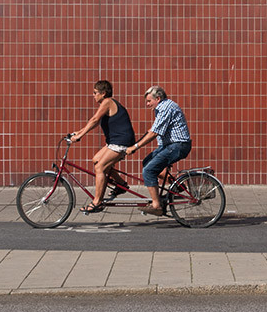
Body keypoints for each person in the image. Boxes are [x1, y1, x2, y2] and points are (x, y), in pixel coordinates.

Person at [67, 80, 135, 211]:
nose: (93, 95)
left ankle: (97, 202)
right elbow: (94, 121)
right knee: (96, 160)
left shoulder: (108, 102)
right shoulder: (107, 103)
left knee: (100, 168)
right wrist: (78, 132)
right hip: (114, 141)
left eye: (95, 93)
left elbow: (94, 120)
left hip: (121, 142)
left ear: (103, 93)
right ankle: (121, 185)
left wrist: (80, 137)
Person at [126, 85, 191, 216]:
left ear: (158, 98)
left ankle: (156, 205)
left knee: (149, 170)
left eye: (149, 101)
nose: (147, 104)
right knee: (147, 162)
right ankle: (178, 185)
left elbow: (154, 133)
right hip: (169, 145)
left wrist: (136, 147)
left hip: (178, 145)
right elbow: (152, 130)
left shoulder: (165, 108)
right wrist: (135, 143)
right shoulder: (160, 108)